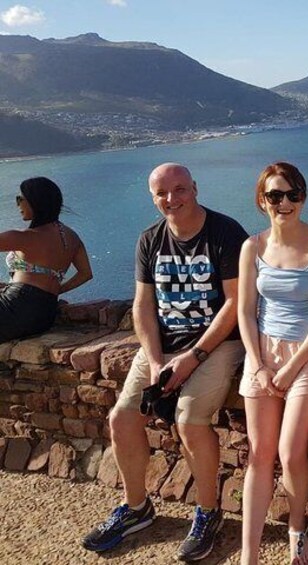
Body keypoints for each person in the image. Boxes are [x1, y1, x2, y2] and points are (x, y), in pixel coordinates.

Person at [82, 163, 248, 562]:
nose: (172, 200)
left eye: (180, 190)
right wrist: (155, 360)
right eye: (162, 193)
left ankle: (209, 512)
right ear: (153, 197)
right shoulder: (150, 240)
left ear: (195, 188)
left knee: (190, 418)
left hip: (218, 343)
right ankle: (136, 507)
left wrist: (193, 357)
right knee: (122, 418)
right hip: (161, 345)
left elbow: (235, 303)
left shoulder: (225, 233)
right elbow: (143, 304)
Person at [237, 162, 308, 565]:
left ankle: (297, 530)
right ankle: (250, 553)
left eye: (293, 194)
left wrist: (292, 366)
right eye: (275, 195)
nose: (285, 203)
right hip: (262, 351)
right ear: (262, 200)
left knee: (291, 451)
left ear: (304, 198)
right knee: (260, 453)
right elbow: (246, 311)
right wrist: (259, 364)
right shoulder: (253, 247)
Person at [1, 177, 92, 342]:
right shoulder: (71, 237)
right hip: (45, 314)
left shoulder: (24, 237)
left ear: (36, 201)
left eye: (20, 199)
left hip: (14, 308)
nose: (17, 204)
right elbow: (85, 274)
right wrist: (58, 290)